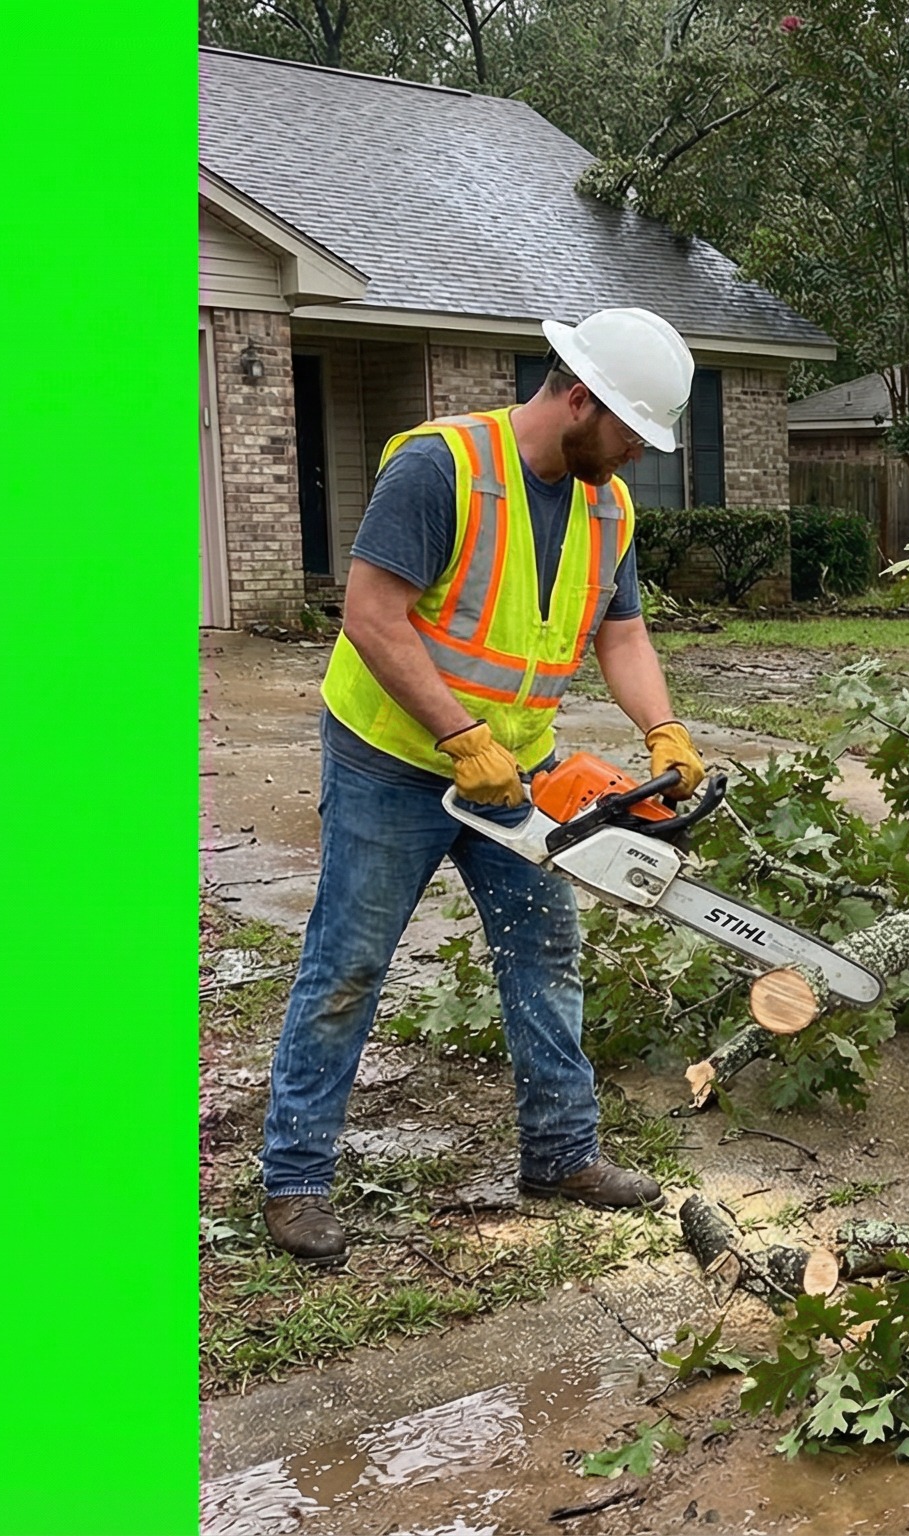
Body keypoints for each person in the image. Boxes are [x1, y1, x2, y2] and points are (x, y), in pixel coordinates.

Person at [258, 307, 711, 1264]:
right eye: (630, 433)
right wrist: (459, 736)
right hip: (392, 759)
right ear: (579, 398)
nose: (633, 456)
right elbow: (373, 616)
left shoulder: (606, 508)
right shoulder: (441, 467)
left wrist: (662, 728)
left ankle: (562, 1154)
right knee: (348, 963)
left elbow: (619, 633)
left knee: (545, 956)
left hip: (522, 766)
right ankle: (295, 1180)